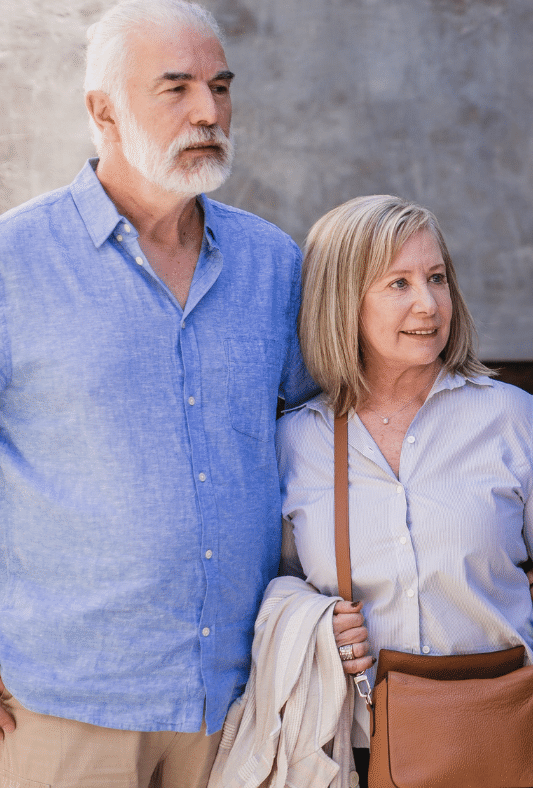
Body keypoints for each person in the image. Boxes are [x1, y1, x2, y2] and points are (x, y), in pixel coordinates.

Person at [0, 1, 314, 785]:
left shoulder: (274, 266)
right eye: (175, 88)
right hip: (63, 703)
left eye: (220, 85)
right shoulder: (14, 263)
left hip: (238, 706)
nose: (209, 111)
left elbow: (334, 438)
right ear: (102, 110)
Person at [274, 194, 533, 788]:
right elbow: (269, 590)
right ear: (341, 302)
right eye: (399, 283)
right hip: (358, 755)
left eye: (437, 278)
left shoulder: (513, 418)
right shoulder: (296, 442)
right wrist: (315, 620)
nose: (429, 304)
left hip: (509, 744)